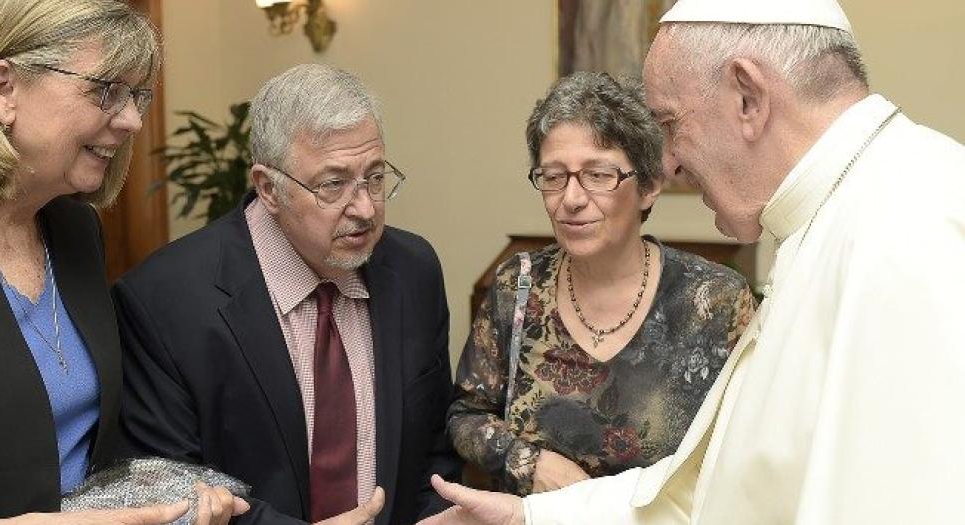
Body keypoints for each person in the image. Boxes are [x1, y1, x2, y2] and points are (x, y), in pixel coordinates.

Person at [419, 0, 965, 523]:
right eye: (555, 175)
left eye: (671, 123)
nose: (671, 163)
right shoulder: (834, 220)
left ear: (748, 99)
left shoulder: (909, 225)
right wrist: (528, 512)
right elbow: (717, 488)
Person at [0, 0, 244, 523]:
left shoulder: (73, 228)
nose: (131, 120)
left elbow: (81, 453)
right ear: (3, 88)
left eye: (136, 96)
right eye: (107, 90)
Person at [113, 63, 463, 525]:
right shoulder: (165, 299)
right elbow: (166, 483)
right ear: (268, 188)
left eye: (375, 177)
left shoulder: (413, 271)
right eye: (333, 184)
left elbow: (433, 445)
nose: (364, 208)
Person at [447, 71, 754, 496]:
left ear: (648, 186)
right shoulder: (516, 287)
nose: (571, 199)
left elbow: (749, 449)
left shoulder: (714, 301)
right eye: (554, 176)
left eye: (598, 175)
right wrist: (528, 462)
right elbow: (466, 416)